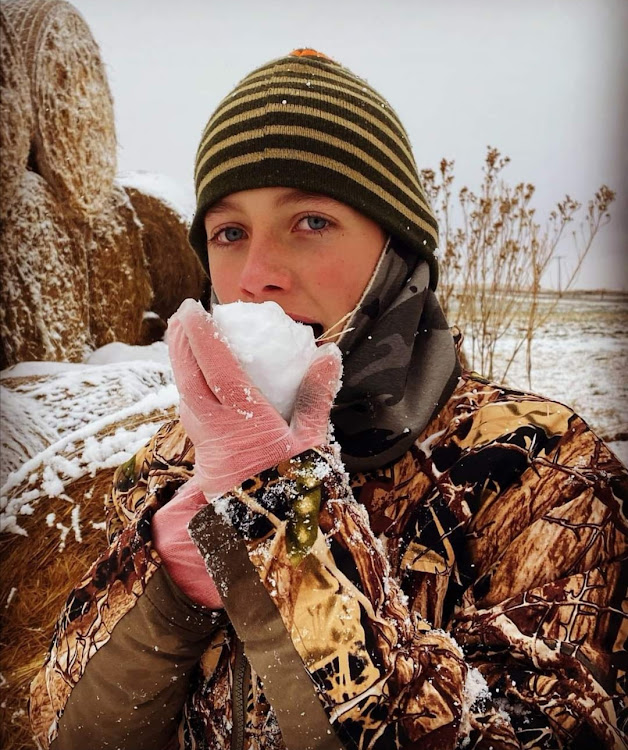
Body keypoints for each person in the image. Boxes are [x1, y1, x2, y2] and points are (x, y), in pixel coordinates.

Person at [29, 49, 626, 750]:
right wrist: (169, 600)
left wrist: (284, 522)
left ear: (397, 250)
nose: (255, 276)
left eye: (309, 220)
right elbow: (63, 735)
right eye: (229, 233)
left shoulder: (542, 470)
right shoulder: (173, 459)